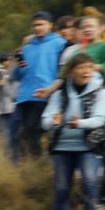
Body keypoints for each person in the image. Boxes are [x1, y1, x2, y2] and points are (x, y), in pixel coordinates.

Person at [44, 53, 105, 210]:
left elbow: (100, 119)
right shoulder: (59, 94)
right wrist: (53, 123)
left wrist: (80, 123)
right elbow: (46, 119)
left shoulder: (102, 92)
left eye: (89, 67)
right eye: (81, 68)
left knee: (90, 181)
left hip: (89, 146)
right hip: (62, 146)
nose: (85, 72)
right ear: (71, 71)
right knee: (61, 187)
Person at [17, 12, 67, 158]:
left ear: (50, 25)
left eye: (41, 24)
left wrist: (54, 88)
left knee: (35, 129)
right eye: (34, 25)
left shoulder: (59, 43)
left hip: (46, 93)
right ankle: (32, 164)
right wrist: (19, 59)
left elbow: (63, 68)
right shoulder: (27, 46)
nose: (37, 28)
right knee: (24, 133)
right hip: (25, 95)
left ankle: (41, 162)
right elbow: (18, 74)